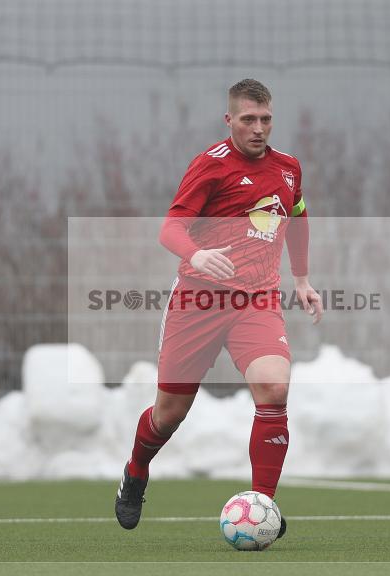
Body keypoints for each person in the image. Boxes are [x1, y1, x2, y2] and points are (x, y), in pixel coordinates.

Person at [115, 79, 322, 538]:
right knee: (168, 414)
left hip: (257, 300)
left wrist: (302, 279)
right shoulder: (210, 166)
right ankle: (135, 471)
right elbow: (170, 229)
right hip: (199, 301)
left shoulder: (288, 169)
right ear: (229, 120)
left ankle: (263, 504)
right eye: (248, 119)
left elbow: (299, 216)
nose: (258, 128)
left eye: (265, 119)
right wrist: (196, 254)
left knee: (274, 388)